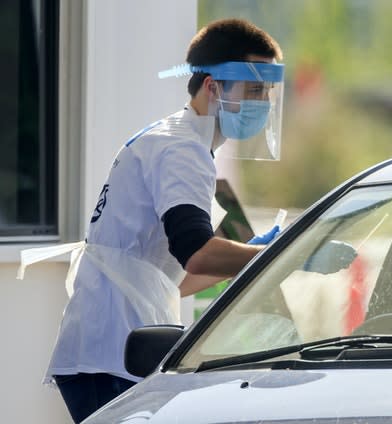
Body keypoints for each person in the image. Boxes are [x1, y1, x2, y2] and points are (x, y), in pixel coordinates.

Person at [41, 18, 288, 423]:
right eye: (255, 89)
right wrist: (277, 255)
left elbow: (175, 279)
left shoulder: (177, 140)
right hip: (113, 353)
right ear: (213, 87)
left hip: (111, 347)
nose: (263, 102)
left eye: (268, 92)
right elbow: (197, 254)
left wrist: (253, 253)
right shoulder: (182, 150)